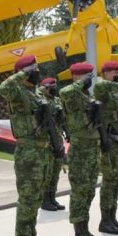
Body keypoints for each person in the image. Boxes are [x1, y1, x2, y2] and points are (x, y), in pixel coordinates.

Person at [0, 55, 55, 236]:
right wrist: (21, 72)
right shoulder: (17, 92)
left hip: (42, 152)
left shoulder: (36, 93)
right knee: (27, 201)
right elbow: (1, 89)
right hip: (28, 152)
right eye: (34, 69)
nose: (38, 71)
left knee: (35, 201)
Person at [59, 62, 102, 236]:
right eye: (86, 76)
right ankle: (79, 233)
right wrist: (80, 83)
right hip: (80, 148)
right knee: (79, 191)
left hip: (93, 146)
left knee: (90, 189)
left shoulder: (86, 95)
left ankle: (85, 229)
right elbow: (65, 92)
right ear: (76, 77)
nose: (89, 81)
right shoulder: (71, 94)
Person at [93, 61, 118, 234]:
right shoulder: (104, 88)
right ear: (105, 73)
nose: (117, 74)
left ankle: (112, 216)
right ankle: (104, 220)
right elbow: (99, 87)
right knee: (109, 180)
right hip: (111, 141)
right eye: (114, 72)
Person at [38, 77, 67, 212]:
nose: (54, 89)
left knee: (56, 170)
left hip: (58, 139)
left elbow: (63, 120)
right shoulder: (40, 100)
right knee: (48, 172)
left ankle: (52, 197)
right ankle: (45, 200)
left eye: (55, 86)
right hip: (47, 140)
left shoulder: (57, 100)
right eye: (51, 87)